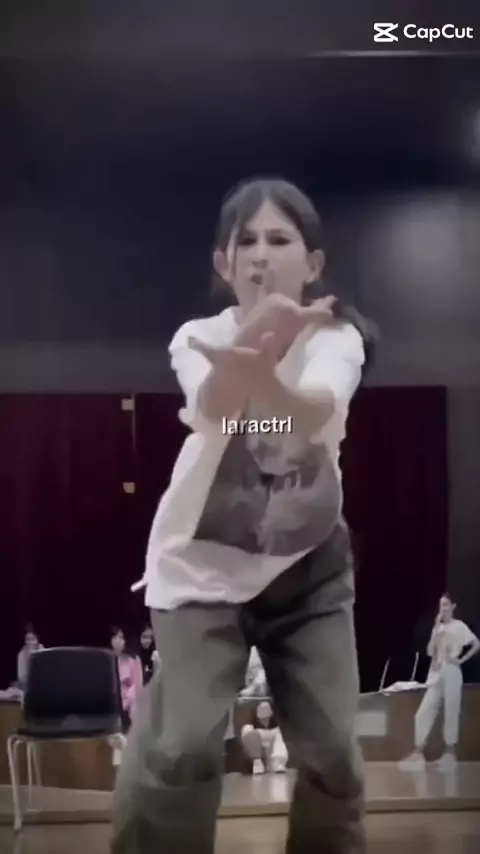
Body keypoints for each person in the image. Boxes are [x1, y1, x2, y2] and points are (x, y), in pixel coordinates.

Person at [112, 177, 374, 854]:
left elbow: (314, 411)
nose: (261, 255)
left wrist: (270, 379)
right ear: (224, 265)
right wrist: (254, 347)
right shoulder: (199, 337)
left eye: (280, 240)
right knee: (181, 746)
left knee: (334, 751)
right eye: (246, 242)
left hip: (308, 568)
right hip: (202, 566)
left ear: (312, 264)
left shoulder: (336, 338)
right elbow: (215, 410)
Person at [399, 594, 480, 772]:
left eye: (446, 605)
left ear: (453, 606)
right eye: (440, 605)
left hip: (452, 671)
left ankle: (450, 755)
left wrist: (461, 660)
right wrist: (436, 628)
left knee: (451, 711)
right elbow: (429, 652)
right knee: (423, 713)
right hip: (436, 674)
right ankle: (418, 753)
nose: (443, 608)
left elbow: (476, 644)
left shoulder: (459, 626)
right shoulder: (438, 628)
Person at [241, 699, 288, 774]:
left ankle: (276, 764)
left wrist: (279, 762)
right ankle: (258, 763)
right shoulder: (249, 729)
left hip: (272, 763)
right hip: (255, 761)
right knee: (249, 734)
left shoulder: (276, 730)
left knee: (279, 740)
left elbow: (280, 745)